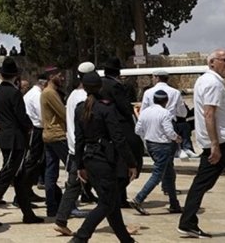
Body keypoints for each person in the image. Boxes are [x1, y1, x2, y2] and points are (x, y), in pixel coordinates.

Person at [178, 49, 225, 239]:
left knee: (201, 184)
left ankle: (187, 222)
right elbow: (209, 114)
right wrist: (215, 144)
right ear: (212, 62)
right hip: (223, 143)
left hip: (215, 143)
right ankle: (187, 222)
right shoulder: (213, 83)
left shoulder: (203, 81)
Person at [70, 71, 138, 243]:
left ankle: (126, 240)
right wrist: (131, 163)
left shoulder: (80, 109)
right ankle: (80, 238)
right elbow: (119, 139)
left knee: (111, 202)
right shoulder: (106, 108)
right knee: (106, 204)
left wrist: (80, 166)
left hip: (89, 159)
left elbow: (79, 140)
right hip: (105, 160)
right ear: (100, 87)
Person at [0, 57, 43, 227]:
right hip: (16, 140)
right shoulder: (14, 93)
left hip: (6, 137)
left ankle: (28, 213)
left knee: (19, 177)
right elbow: (21, 116)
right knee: (6, 175)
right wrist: (29, 127)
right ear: (15, 76)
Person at [53, 62, 95, 237]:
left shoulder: (71, 96)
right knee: (108, 189)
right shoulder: (84, 98)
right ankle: (121, 230)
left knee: (73, 187)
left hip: (74, 147)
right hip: (85, 149)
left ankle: (61, 220)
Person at [129, 90, 182, 216]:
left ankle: (174, 203)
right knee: (158, 174)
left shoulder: (145, 112)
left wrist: (148, 135)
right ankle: (139, 199)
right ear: (166, 101)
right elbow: (169, 131)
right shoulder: (165, 113)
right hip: (163, 146)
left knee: (169, 173)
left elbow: (138, 130)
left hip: (150, 145)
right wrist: (176, 138)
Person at [101, 57, 144, 207]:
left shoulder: (102, 84)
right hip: (121, 125)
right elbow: (124, 107)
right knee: (133, 154)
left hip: (107, 126)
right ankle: (116, 195)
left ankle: (120, 198)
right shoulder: (116, 86)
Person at [140, 69, 197, 160]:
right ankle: (183, 149)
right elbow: (182, 112)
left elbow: (143, 111)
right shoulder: (175, 92)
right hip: (170, 122)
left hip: (153, 125)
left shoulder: (148, 92)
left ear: (157, 78)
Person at [41, 67, 69, 217]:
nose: (62, 78)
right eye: (60, 75)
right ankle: (67, 205)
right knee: (73, 168)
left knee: (51, 172)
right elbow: (63, 113)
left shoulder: (46, 92)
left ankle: (52, 206)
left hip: (49, 135)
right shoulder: (50, 93)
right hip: (57, 135)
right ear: (51, 76)